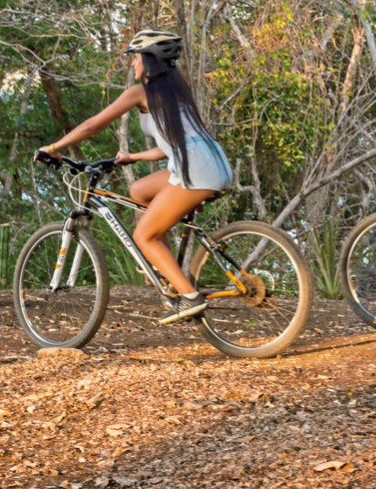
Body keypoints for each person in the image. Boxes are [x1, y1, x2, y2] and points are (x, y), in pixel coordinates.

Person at [37, 30, 233, 324]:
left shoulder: (141, 93)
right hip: (209, 162)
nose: (132, 64)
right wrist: (133, 157)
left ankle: (189, 297)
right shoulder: (175, 92)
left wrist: (53, 148)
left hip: (196, 169)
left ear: (149, 60)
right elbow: (174, 143)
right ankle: (169, 274)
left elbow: (92, 125)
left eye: (136, 57)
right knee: (139, 190)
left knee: (143, 235)